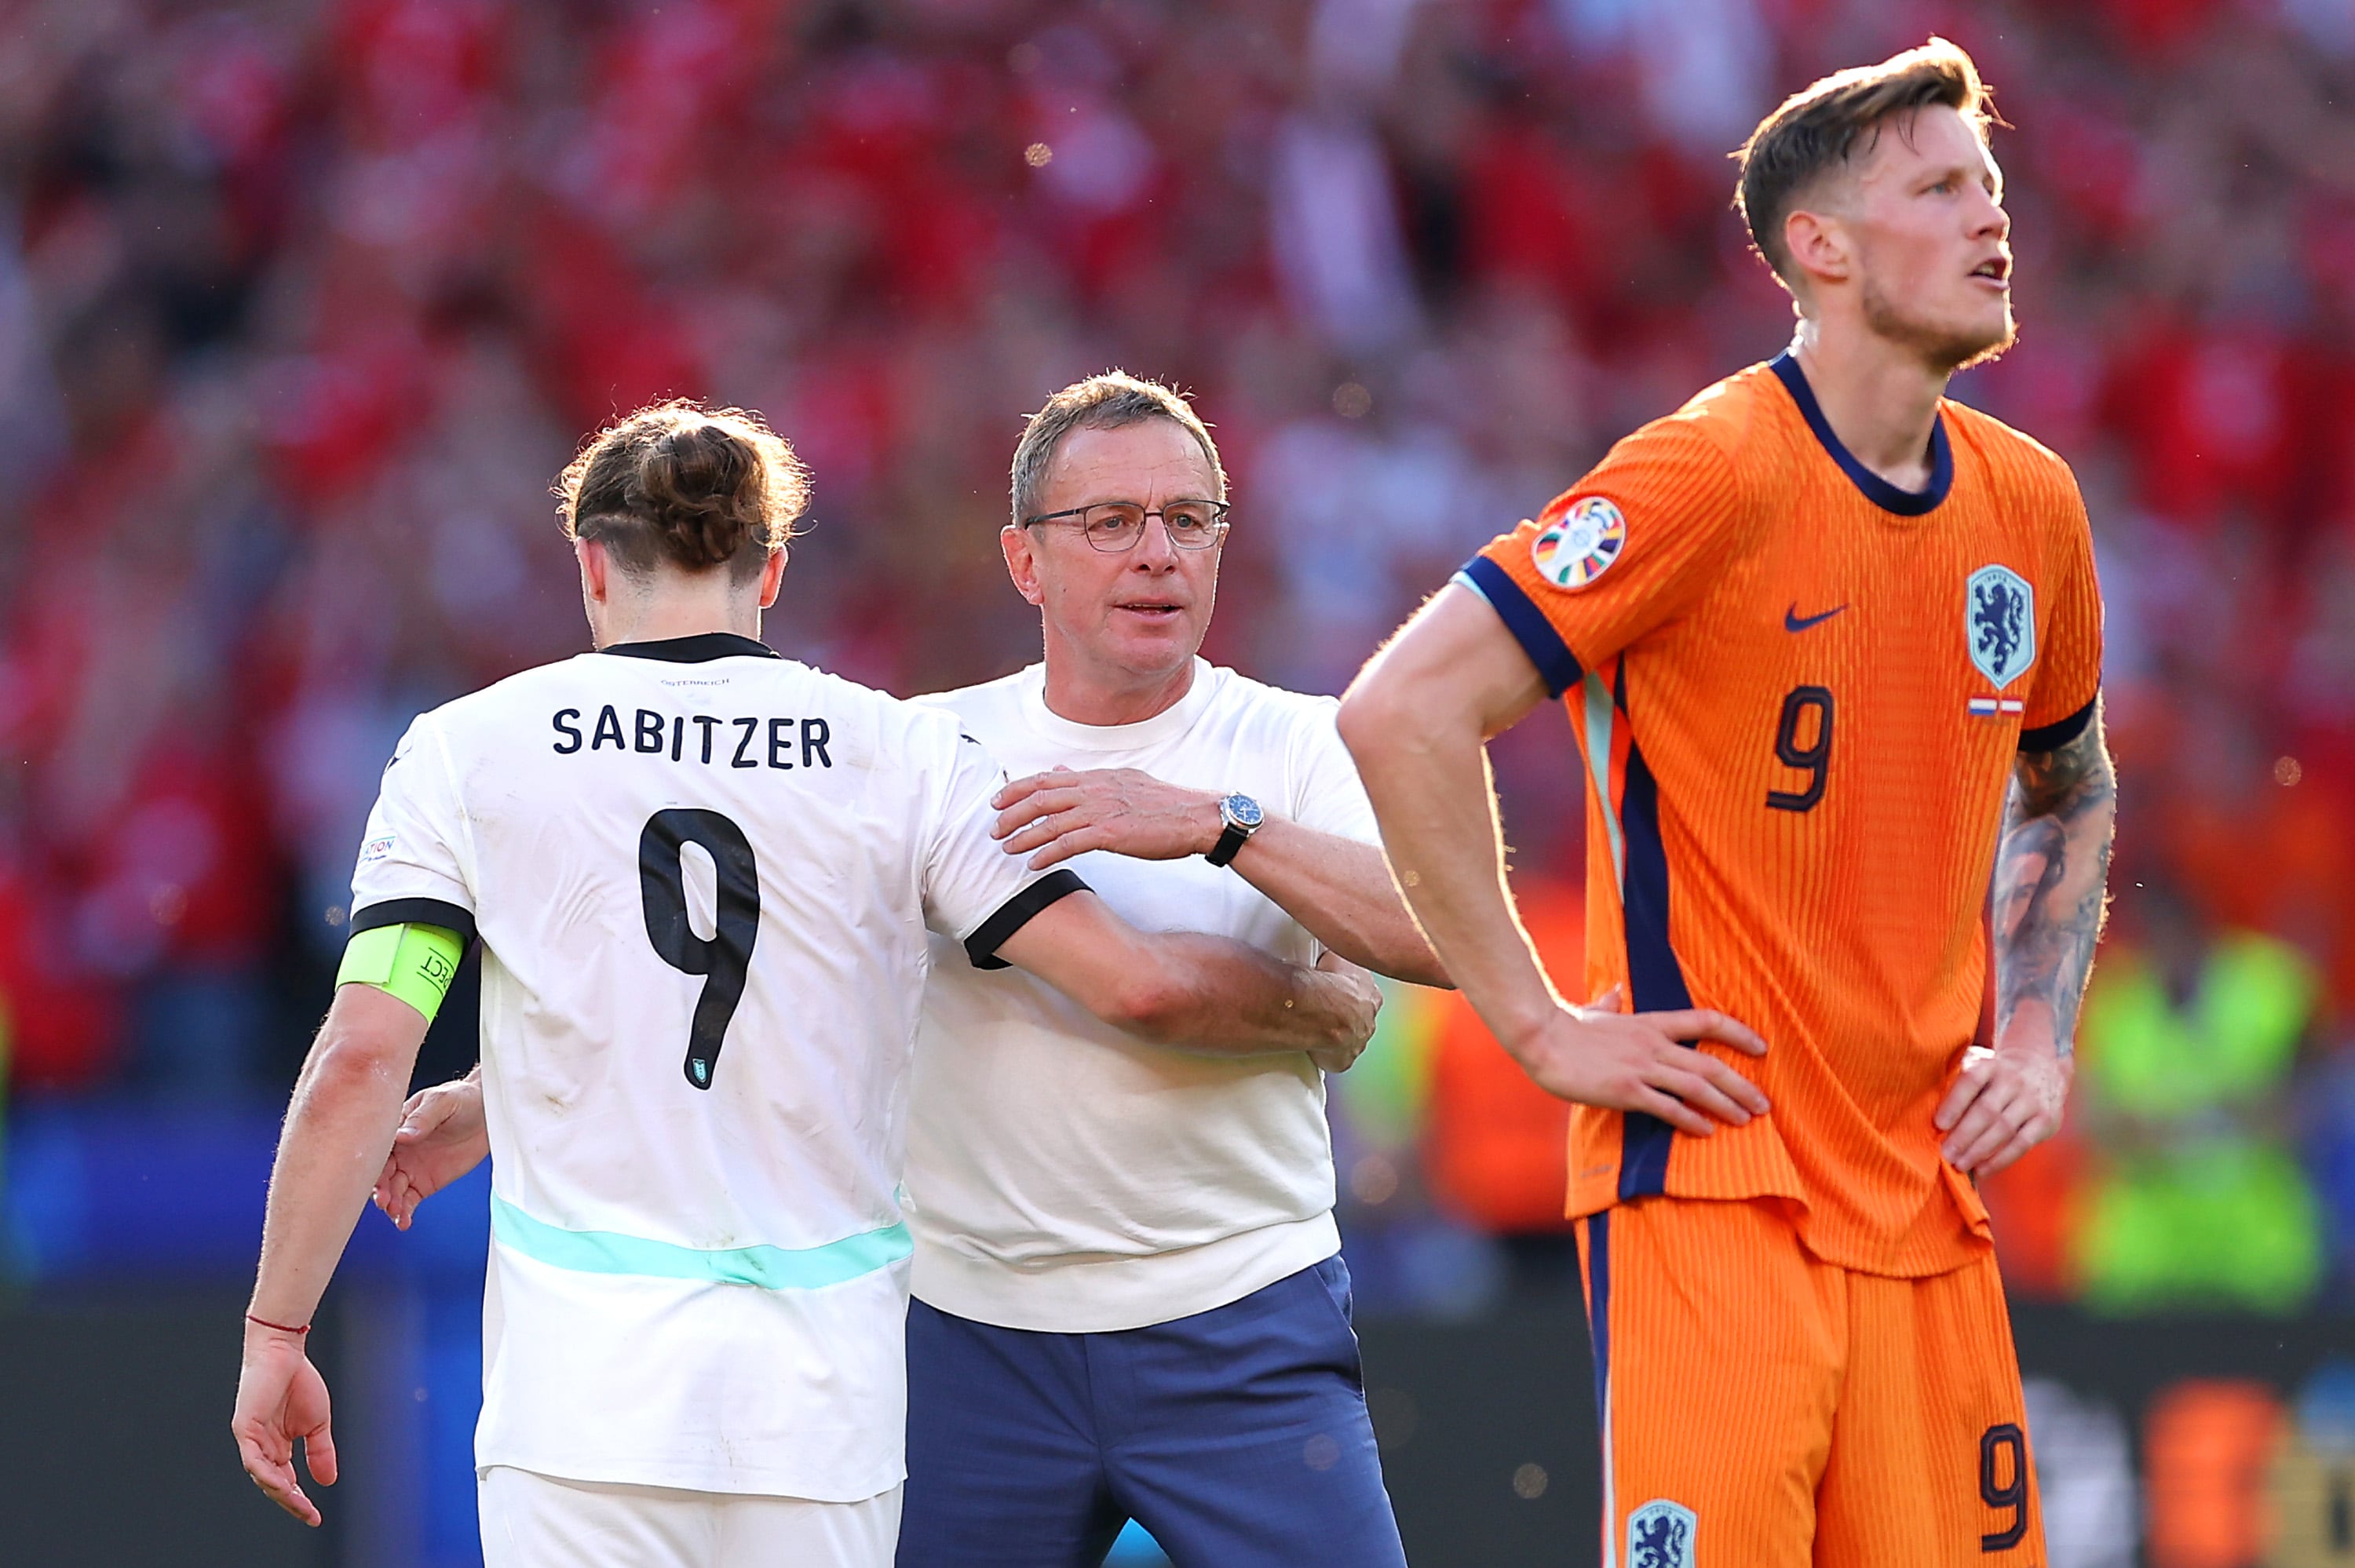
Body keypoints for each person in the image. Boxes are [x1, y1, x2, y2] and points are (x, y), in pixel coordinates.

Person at [231, 399, 1380, 1568]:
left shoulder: (467, 747)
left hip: (584, 1396)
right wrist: (1317, 1005)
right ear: (771, 569)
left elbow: (368, 1054)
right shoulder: (897, 755)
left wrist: (279, 1323)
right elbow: (1132, 983)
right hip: (822, 1403)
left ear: (589, 563)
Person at [1337, 40, 2115, 1568]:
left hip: (1928, 1202)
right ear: (1818, 249)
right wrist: (1543, 1025)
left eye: (1994, 185)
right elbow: (1402, 710)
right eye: (1942, 187)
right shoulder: (1710, 473)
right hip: (1719, 1182)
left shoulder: (2032, 507)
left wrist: (2036, 1028)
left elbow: (2069, 774)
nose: (1990, 217)